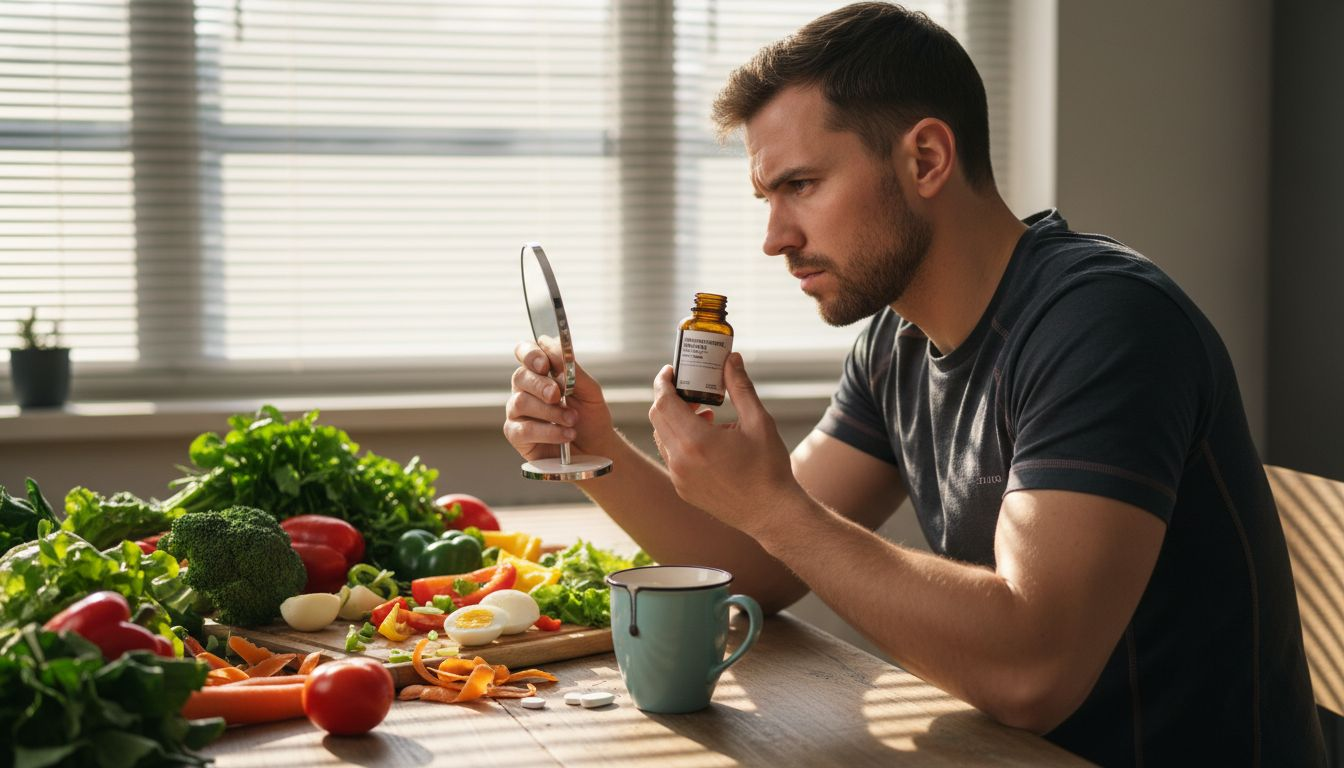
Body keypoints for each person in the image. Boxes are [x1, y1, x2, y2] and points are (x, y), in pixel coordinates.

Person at [502, 3, 1325, 764]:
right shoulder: (897, 342)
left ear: (926, 157)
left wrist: (772, 505)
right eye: (766, 195)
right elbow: (758, 567)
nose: (774, 238)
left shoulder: (1106, 323)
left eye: (800, 185)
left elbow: (1034, 673)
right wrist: (596, 449)